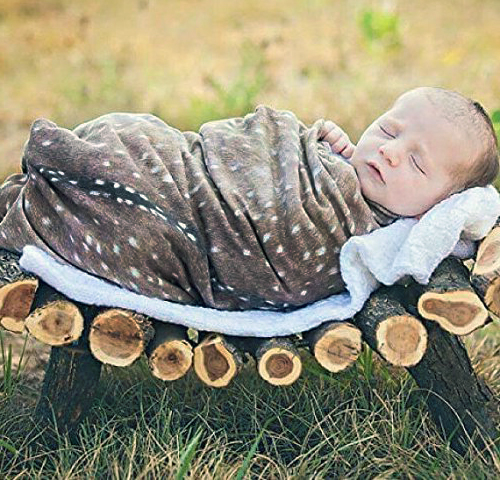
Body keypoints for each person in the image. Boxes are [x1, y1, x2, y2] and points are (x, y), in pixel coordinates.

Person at [0, 86, 497, 313]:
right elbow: (270, 148)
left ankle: (63, 191)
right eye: (388, 128)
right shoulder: (348, 171)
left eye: (415, 163)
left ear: (440, 204)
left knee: (143, 210)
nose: (388, 152)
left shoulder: (376, 234)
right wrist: (324, 149)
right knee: (142, 143)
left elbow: (286, 263)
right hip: (192, 167)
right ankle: (83, 165)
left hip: (212, 225)